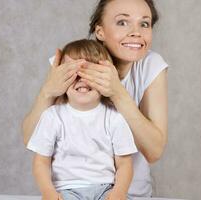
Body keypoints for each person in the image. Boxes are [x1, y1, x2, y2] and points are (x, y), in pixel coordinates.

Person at [23, 0, 168, 197]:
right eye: (122, 22)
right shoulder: (72, 61)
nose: (136, 32)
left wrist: (117, 92)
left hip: (129, 194)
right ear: (100, 31)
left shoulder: (151, 65)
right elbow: (31, 139)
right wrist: (47, 91)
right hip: (69, 192)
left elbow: (154, 151)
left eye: (144, 23)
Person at [27, 39, 138, 200]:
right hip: (67, 190)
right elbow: (41, 162)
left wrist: (119, 193)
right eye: (73, 72)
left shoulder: (114, 118)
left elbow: (124, 164)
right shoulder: (52, 117)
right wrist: (48, 192)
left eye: (90, 71)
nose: (81, 78)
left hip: (106, 189)